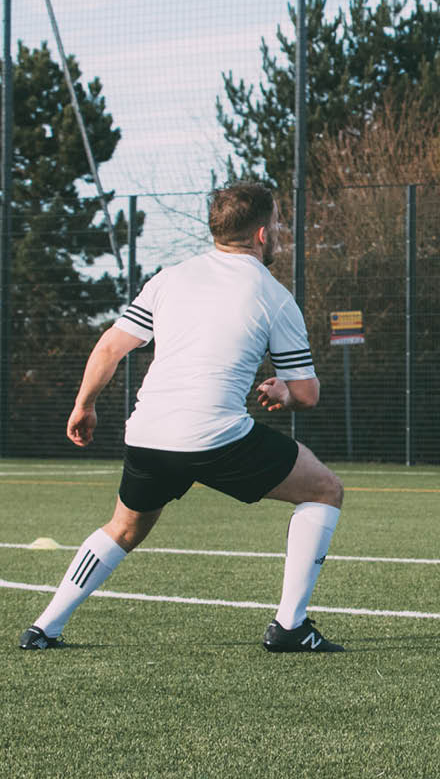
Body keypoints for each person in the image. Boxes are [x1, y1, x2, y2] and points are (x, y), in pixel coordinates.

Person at [19, 181, 346, 653]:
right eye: (276, 223)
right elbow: (307, 394)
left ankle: (44, 628)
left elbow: (111, 346)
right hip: (217, 439)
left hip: (148, 434)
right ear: (261, 233)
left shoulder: (169, 278)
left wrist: (84, 405)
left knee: (124, 528)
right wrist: (284, 395)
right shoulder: (274, 296)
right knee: (324, 490)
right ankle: (290, 627)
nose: (277, 231)